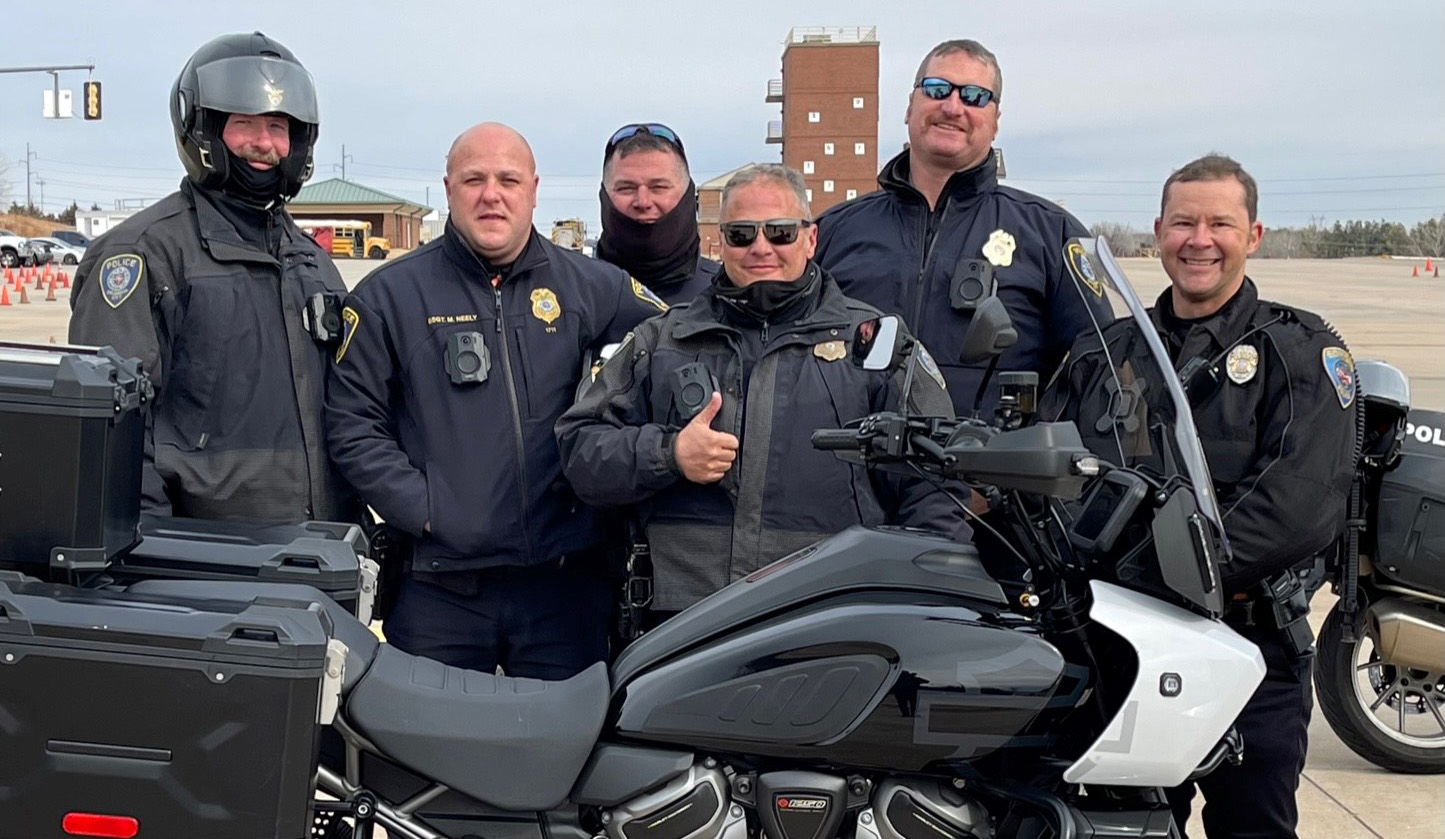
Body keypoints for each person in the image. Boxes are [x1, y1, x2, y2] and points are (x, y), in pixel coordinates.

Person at [1045, 154, 1359, 839]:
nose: (1199, 238)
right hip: (1119, 648)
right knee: (1119, 827)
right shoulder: (1105, 351)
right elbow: (1057, 473)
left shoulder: (1299, 350)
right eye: (1183, 221)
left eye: (1220, 222)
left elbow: (1297, 505)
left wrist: (1151, 573)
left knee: (1252, 826)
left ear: (1253, 234)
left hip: (1248, 649)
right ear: (1157, 231)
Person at [325, 122, 668, 679]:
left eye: (508, 179)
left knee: (559, 755)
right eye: (474, 179)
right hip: (441, 590)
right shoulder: (389, 296)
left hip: (566, 587)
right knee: (427, 753)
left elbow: (674, 351)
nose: (492, 194)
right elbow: (353, 426)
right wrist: (428, 508)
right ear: (448, 188)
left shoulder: (596, 287)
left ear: (534, 189)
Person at [557, 164, 971, 621]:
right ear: (720, 238)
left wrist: (916, 601)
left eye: (779, 232)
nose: (760, 247)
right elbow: (580, 449)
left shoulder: (875, 344)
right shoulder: (662, 340)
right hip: (685, 626)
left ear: (810, 239)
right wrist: (669, 453)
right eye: (741, 234)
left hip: (828, 621)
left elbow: (939, 482)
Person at [68, 31, 356, 525]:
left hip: (319, 554)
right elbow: (111, 429)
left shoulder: (313, 265)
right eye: (243, 124)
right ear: (202, 130)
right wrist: (156, 555)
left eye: (277, 126)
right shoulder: (145, 256)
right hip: (209, 566)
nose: (264, 144)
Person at [813, 39, 1113, 415]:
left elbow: (1102, 370)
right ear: (909, 107)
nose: (953, 107)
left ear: (996, 121)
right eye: (937, 89)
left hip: (988, 470)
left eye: (974, 96)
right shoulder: (832, 231)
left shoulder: (1052, 235)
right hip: (851, 468)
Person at [596, 123, 719, 306]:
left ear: (688, 194)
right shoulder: (571, 294)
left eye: (659, 188)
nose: (643, 202)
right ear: (604, 194)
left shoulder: (727, 295)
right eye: (626, 188)